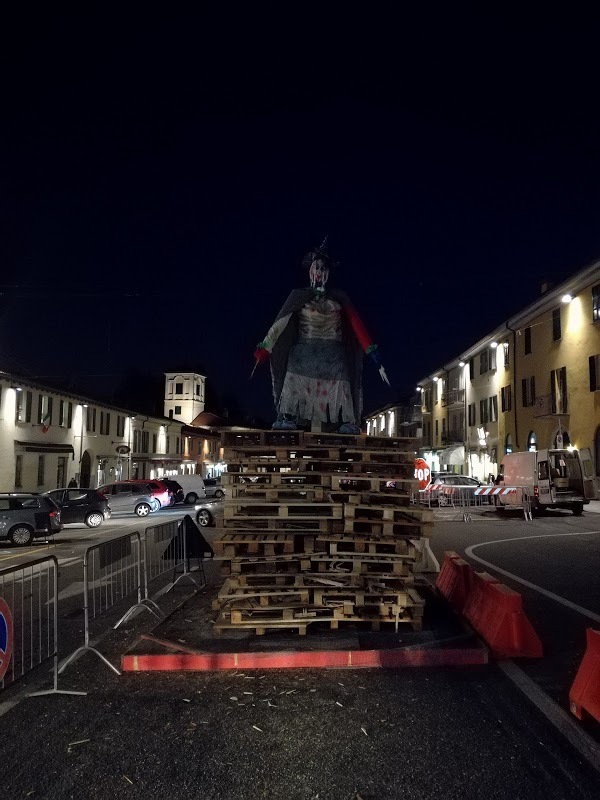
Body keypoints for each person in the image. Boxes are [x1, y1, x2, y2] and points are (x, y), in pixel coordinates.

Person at [253, 238, 389, 433]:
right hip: (303, 350)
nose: (319, 272)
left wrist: (371, 351)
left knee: (340, 372)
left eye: (324, 269)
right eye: (317, 268)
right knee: (294, 363)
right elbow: (280, 323)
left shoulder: (339, 298)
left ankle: (346, 419)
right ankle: (288, 415)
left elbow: (356, 323)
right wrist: (265, 347)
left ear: (328, 273)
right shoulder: (298, 296)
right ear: (311, 271)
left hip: (333, 352)